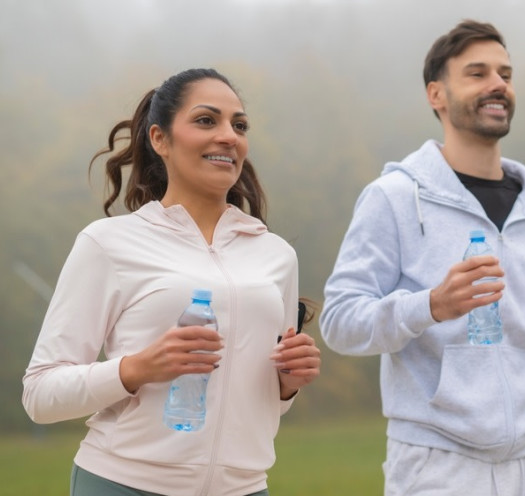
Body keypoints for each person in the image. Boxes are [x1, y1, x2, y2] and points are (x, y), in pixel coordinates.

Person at [320, 20, 525, 496]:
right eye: (477, 73)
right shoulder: (394, 197)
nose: (498, 85)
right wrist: (431, 305)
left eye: (505, 74)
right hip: (439, 466)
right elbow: (339, 323)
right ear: (437, 95)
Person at [22, 68, 321, 496]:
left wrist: (288, 383)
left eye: (239, 125)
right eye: (206, 120)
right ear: (160, 139)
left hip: (245, 488)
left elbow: (259, 400)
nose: (228, 136)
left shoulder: (276, 255)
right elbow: (40, 394)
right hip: (125, 484)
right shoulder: (109, 243)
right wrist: (136, 368)